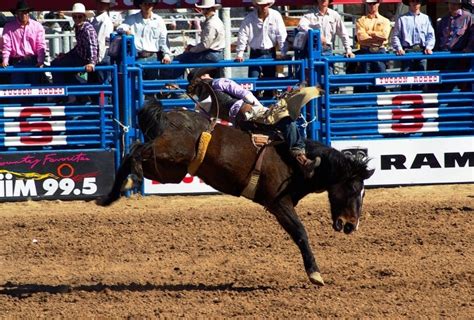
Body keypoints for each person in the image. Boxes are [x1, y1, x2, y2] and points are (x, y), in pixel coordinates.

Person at [187, 67, 319, 179]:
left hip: (240, 125)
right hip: (250, 113)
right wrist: (261, 108)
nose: (210, 74)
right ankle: (301, 159)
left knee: (274, 137)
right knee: (286, 120)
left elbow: (207, 123)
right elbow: (244, 93)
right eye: (207, 73)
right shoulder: (219, 82)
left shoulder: (200, 104)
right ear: (203, 76)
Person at [234, 0, 288, 85]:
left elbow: (281, 34)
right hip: (256, 53)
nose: (264, 7)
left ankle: (267, 96)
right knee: (253, 82)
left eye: (266, 5)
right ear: (257, 6)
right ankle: (255, 97)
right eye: (261, 5)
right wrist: (240, 53)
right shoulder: (249, 18)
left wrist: (283, 52)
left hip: (270, 52)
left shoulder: (276, 16)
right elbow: (243, 35)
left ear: (269, 5)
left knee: (269, 83)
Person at [118, 0, 171, 80]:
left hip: (153, 57)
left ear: (153, 5)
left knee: (151, 85)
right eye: (145, 4)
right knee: (135, 84)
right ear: (140, 5)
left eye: (150, 4)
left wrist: (166, 55)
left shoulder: (159, 20)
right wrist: (125, 30)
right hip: (137, 57)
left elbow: (163, 40)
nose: (147, 6)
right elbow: (120, 27)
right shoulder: (132, 19)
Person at [171, 0, 225, 79]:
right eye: (204, 9)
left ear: (213, 9)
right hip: (217, 53)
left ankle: (177, 86)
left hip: (210, 54)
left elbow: (205, 45)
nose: (204, 11)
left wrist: (191, 49)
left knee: (179, 59)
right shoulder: (217, 21)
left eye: (207, 9)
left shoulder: (210, 24)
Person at [391, 0, 435, 90]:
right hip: (407, 52)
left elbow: (431, 35)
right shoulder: (402, 18)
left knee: (420, 79)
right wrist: (399, 48)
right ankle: (405, 101)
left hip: (422, 52)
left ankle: (418, 102)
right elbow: (395, 36)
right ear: (409, 3)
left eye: (418, 1)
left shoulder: (426, 18)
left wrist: (428, 47)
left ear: (421, 3)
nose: (415, 3)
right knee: (405, 79)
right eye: (413, 1)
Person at [51, 3, 98, 86]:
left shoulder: (88, 29)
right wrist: (66, 55)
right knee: (58, 64)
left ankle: (62, 94)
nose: (77, 19)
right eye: (74, 17)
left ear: (84, 17)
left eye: (79, 17)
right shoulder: (78, 27)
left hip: (84, 59)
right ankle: (77, 94)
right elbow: (79, 47)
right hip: (80, 57)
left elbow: (93, 45)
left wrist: (92, 62)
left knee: (56, 65)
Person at [1, 0, 46, 84]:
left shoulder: (37, 26)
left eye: (26, 12)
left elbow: (41, 45)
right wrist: (5, 60)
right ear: (17, 13)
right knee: (17, 89)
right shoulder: (8, 27)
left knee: (34, 88)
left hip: (33, 61)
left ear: (29, 13)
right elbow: (6, 46)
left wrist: (40, 60)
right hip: (17, 61)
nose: (24, 14)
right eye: (21, 12)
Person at [434, 0, 474, 91]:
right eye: (450, 3)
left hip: (458, 55)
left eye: (455, 3)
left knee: (453, 80)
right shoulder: (444, 19)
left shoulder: (468, 17)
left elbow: (472, 36)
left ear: (460, 4)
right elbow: (439, 37)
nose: (452, 6)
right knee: (439, 78)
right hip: (442, 54)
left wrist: (468, 48)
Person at [355, 0, 391, 92]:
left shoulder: (385, 20)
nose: (372, 6)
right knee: (364, 79)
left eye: (374, 3)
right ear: (366, 4)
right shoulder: (360, 20)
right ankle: (365, 104)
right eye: (370, 4)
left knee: (380, 79)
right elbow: (361, 38)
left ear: (378, 4)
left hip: (379, 51)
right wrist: (377, 37)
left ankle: (379, 102)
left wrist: (370, 33)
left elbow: (385, 36)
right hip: (366, 51)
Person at [89, 0, 115, 84]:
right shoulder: (95, 20)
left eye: (104, 4)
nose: (101, 6)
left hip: (101, 55)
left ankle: (104, 97)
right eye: (100, 3)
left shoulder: (105, 22)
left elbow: (102, 41)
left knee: (102, 83)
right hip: (98, 55)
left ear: (107, 6)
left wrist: (98, 58)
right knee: (99, 83)